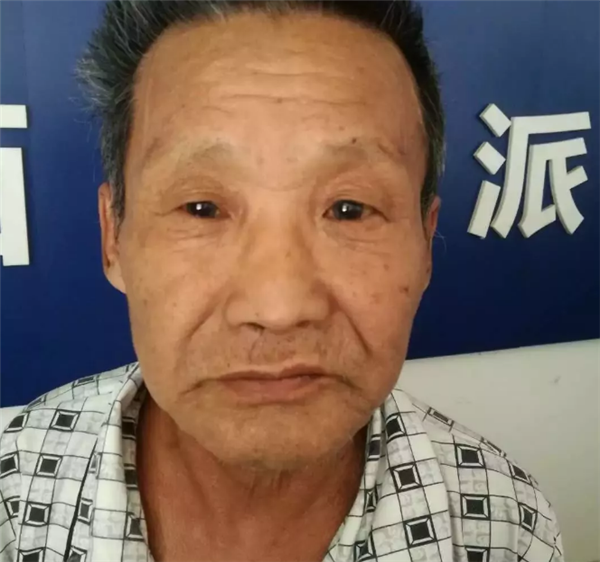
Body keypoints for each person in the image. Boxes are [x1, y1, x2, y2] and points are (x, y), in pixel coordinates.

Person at [0, 0, 563, 561]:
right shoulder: (14, 490)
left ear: (426, 244)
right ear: (113, 238)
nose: (279, 307)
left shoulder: (501, 522)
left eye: (349, 209)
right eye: (201, 208)